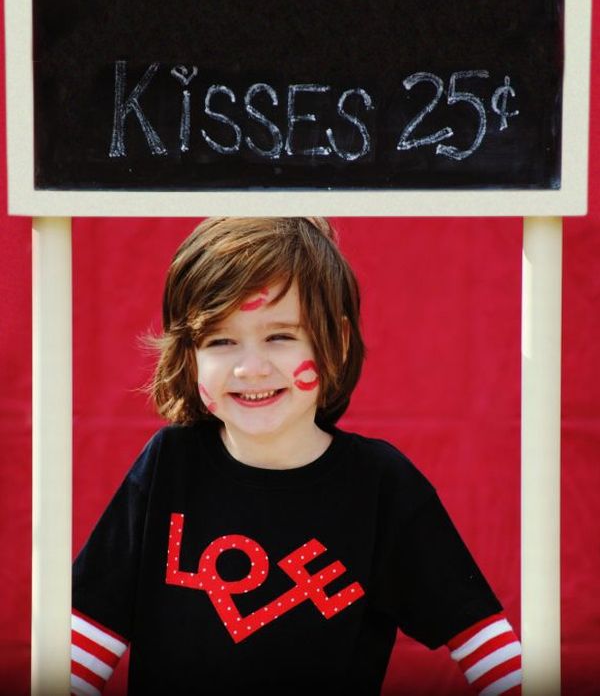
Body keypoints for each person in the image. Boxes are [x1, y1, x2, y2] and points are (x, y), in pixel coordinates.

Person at [70, 217, 522, 696]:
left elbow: (489, 649)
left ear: (337, 342)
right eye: (220, 340)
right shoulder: (169, 466)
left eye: (280, 336)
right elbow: (80, 649)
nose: (251, 368)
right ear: (189, 355)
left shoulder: (381, 487)